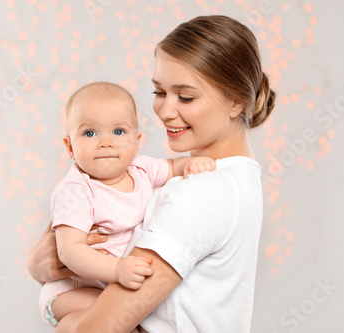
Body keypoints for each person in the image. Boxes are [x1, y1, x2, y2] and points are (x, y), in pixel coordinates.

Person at [27, 15, 276, 332]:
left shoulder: (205, 191)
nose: (165, 110)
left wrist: (47, 282)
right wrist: (45, 265)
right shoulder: (227, 180)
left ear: (235, 102)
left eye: (185, 97)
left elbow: (97, 328)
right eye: (159, 92)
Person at [38, 81, 216, 327]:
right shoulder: (76, 191)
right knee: (105, 316)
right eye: (90, 133)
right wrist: (117, 269)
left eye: (118, 131)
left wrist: (190, 164)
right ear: (70, 147)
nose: (106, 142)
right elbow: (69, 251)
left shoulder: (141, 168)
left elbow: (171, 167)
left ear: (137, 140)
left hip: (109, 286)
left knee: (128, 316)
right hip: (72, 291)